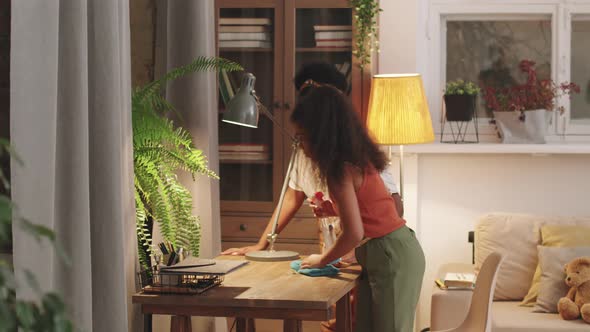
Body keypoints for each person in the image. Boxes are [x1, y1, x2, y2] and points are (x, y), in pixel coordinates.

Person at [221, 63, 403, 257]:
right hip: (334, 248)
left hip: (364, 251)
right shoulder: (304, 151)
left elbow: (394, 209)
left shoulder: (354, 153)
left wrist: (353, 250)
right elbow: (291, 198)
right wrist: (261, 245)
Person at [293, 84, 425, 332]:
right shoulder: (355, 159)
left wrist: (322, 259)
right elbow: (370, 206)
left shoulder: (340, 169)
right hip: (387, 252)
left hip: (390, 254)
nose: (301, 144)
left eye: (302, 137)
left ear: (320, 134)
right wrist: (334, 209)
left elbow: (354, 233)